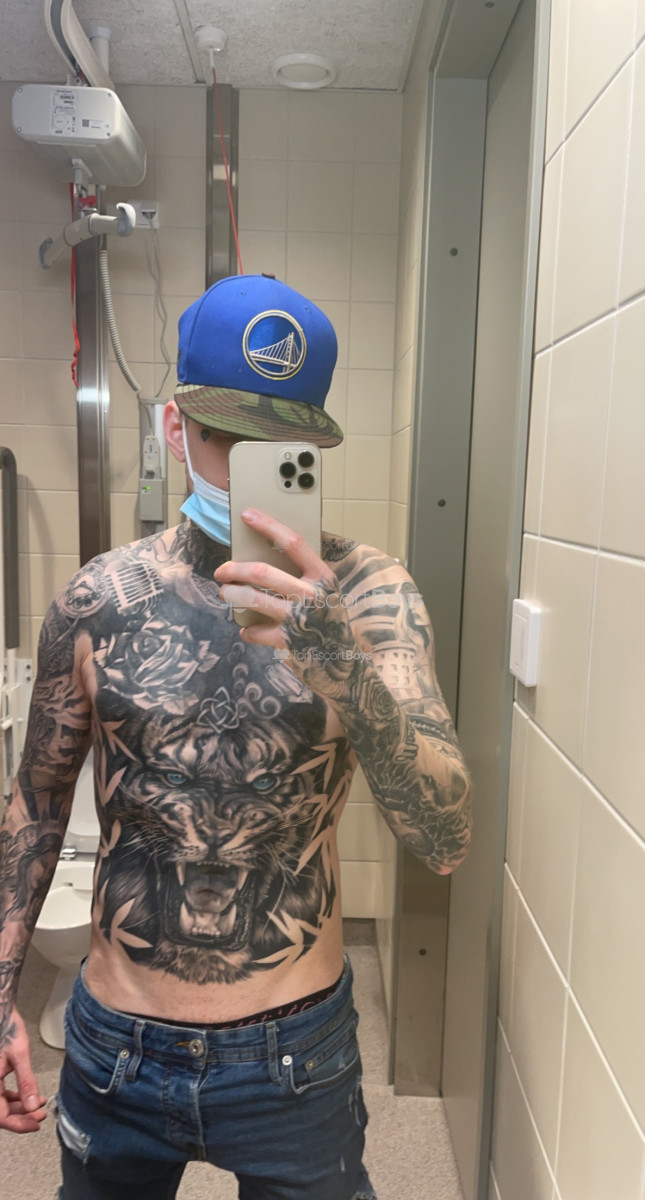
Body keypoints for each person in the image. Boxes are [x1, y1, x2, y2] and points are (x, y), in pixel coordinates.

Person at [0, 275, 473, 1199]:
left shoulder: (373, 595)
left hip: (295, 1047)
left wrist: (342, 668)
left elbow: (445, 836)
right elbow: (38, 804)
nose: (249, 468)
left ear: (315, 448)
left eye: (282, 446)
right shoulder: (97, 600)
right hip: (118, 1045)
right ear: (177, 429)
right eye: (227, 438)